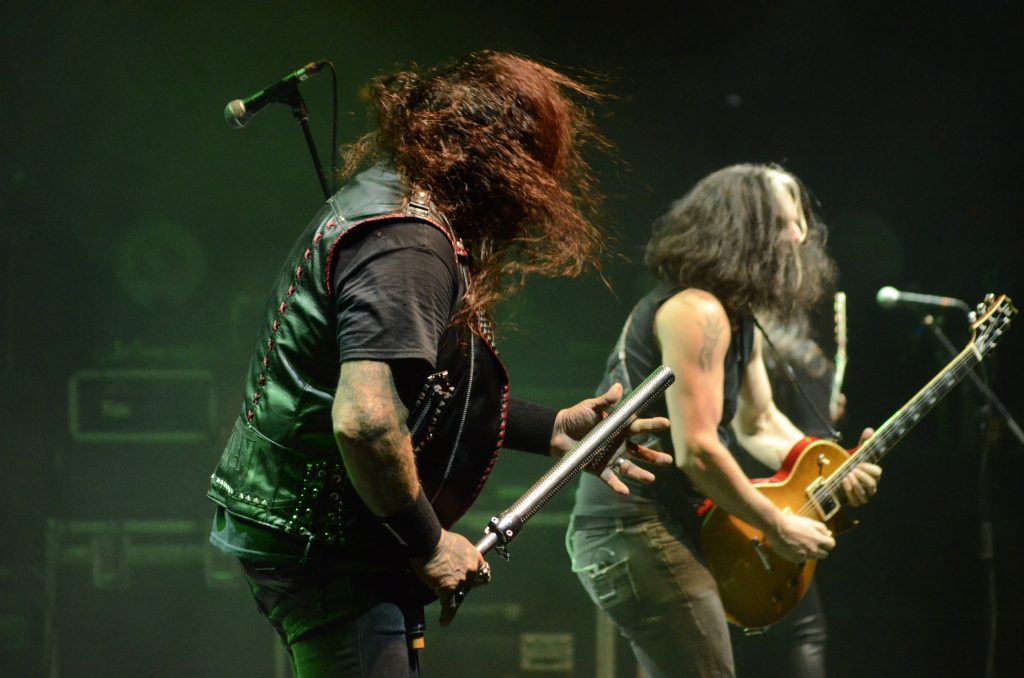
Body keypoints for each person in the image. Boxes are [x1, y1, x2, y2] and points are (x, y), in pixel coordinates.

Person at [206, 51, 670, 678]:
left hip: (328, 531)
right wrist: (430, 542)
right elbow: (367, 421)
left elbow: (421, 391)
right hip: (333, 547)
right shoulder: (411, 243)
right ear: (503, 161)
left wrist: (553, 427)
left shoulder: (395, 200)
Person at [567, 164, 883, 677]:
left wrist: (832, 469)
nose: (799, 236)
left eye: (800, 222)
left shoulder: (737, 316)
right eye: (784, 222)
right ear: (742, 229)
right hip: (634, 525)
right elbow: (698, 449)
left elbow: (759, 424)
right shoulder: (697, 311)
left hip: (658, 526)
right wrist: (777, 525)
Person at [728, 312, 844, 678]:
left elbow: (757, 424)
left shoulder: (744, 335)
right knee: (804, 632)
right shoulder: (806, 356)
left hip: (731, 507)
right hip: (776, 509)